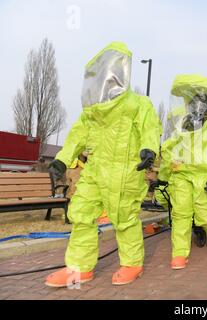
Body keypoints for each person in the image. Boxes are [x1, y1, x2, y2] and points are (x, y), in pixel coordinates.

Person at [44, 42, 161, 287]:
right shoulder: (92, 111)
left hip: (125, 171)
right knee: (81, 213)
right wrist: (62, 160)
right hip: (95, 169)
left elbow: (149, 128)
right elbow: (77, 136)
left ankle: (132, 263)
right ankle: (78, 268)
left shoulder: (139, 104)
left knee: (124, 217)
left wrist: (149, 150)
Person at [153, 74, 207, 270]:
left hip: (205, 177)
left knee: (204, 214)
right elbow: (169, 151)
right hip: (181, 174)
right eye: (192, 100)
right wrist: (163, 178)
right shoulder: (183, 125)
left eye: (200, 99)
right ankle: (179, 253)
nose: (196, 104)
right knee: (180, 214)